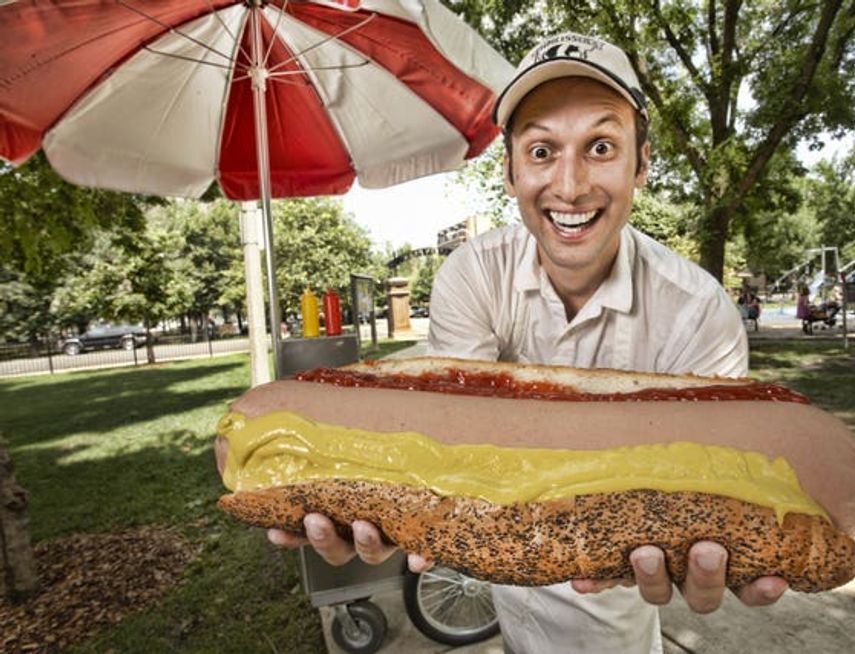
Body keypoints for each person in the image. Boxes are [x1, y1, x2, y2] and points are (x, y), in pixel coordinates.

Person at [267, 32, 787, 653]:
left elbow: (711, 495)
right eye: (542, 150)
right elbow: (449, 440)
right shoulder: (471, 275)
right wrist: (364, 487)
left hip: (621, 633)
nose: (569, 186)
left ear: (641, 164)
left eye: (600, 146)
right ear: (511, 170)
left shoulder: (700, 315)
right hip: (510, 622)